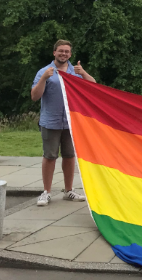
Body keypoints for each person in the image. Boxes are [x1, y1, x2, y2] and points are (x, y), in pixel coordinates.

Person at [31, 39, 97, 206]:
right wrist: (44, 79)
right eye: (61, 51)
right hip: (50, 122)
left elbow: (94, 88)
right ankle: (46, 192)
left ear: (70, 54)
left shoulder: (75, 71)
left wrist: (83, 73)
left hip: (71, 122)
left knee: (69, 156)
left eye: (67, 52)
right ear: (54, 52)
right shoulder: (44, 71)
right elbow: (34, 96)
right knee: (50, 156)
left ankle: (69, 191)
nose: (64, 54)